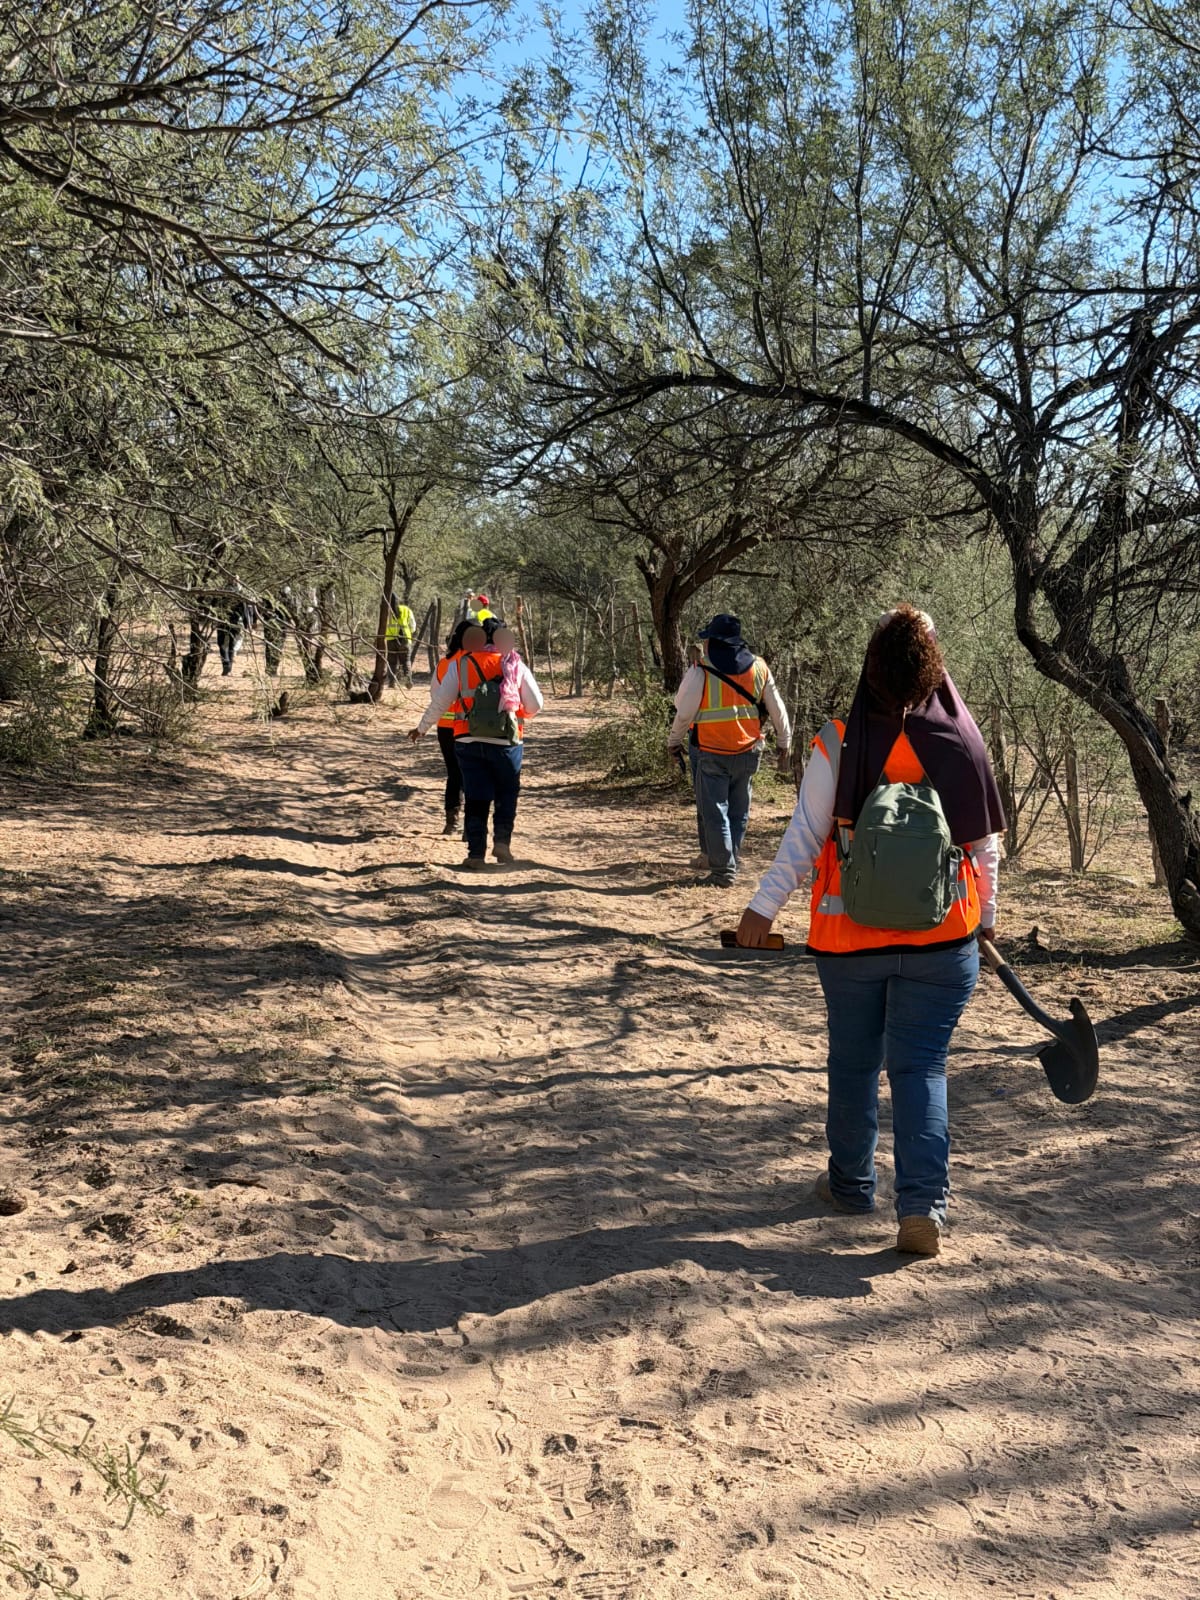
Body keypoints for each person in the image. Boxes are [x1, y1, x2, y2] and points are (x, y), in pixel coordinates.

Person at [735, 606, 1005, 1257]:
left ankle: (853, 1184)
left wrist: (761, 910)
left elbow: (804, 839)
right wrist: (987, 924)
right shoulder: (963, 742)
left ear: (872, 666)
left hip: (848, 939)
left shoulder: (840, 740)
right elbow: (985, 848)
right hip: (945, 941)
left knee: (854, 1063)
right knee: (921, 1068)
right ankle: (923, 1207)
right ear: (935, 669)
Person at [667, 614, 792, 886]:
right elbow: (778, 709)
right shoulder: (759, 668)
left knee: (715, 813)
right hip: (748, 752)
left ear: (713, 641)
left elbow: (684, 709)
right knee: (738, 811)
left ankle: (723, 872)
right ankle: (729, 860)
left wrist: (673, 740)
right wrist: (784, 743)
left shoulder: (702, 669)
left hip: (712, 751)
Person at [409, 624, 543, 867]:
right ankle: (502, 842)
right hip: (507, 742)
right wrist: (514, 712)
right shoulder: (515, 664)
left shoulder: (461, 665)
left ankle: (475, 854)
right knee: (506, 793)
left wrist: (421, 728)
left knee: (475, 796)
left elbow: (440, 702)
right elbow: (535, 705)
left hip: (467, 740)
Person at [433, 617, 472, 835]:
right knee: (472, 774)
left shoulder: (444, 662)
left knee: (454, 773)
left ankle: (451, 822)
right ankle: (470, 826)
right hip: (469, 726)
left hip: (445, 726)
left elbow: (435, 695)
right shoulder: (476, 661)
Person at [216, 589, 256, 676]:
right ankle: (228, 666)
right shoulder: (239, 595)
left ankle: (226, 663)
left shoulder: (223, 593)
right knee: (230, 644)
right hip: (233, 622)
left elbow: (247, 611)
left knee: (223, 643)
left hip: (224, 621)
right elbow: (247, 612)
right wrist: (249, 624)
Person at [385, 592, 417, 688]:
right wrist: (409, 632)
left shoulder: (386, 611)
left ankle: (392, 683)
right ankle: (408, 682)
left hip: (390, 640)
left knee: (392, 662)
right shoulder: (406, 610)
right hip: (405, 639)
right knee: (406, 661)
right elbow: (413, 626)